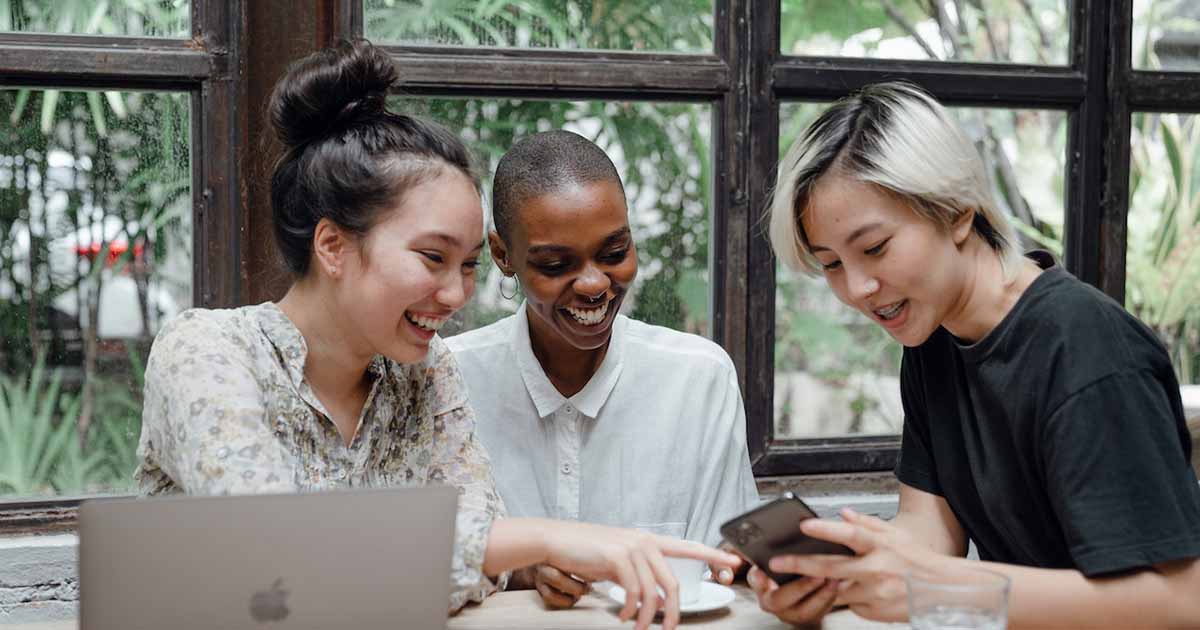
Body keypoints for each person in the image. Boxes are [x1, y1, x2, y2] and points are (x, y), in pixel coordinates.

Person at [134, 40, 737, 630]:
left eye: (469, 265)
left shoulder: (425, 371)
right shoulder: (207, 353)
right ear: (333, 246)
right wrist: (545, 538)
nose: (456, 295)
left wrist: (490, 556)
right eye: (432, 258)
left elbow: (484, 566)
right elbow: (274, 563)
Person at [756, 82, 1200, 628]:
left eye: (874, 248)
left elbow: (1183, 601)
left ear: (958, 211)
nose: (859, 287)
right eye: (830, 264)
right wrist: (839, 577)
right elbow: (930, 529)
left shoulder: (1088, 351)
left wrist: (941, 587)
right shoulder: (931, 333)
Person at [445, 130, 759, 610]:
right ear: (503, 255)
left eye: (614, 254)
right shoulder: (450, 381)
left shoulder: (698, 379)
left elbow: (726, 569)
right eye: (555, 264)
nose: (594, 284)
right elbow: (413, 562)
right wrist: (521, 567)